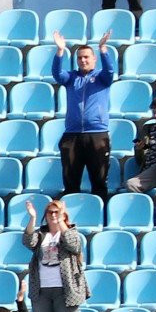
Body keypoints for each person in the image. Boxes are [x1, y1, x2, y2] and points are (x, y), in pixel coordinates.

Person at [51, 31, 116, 198]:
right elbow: (57, 74)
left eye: (86, 57)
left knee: (99, 183)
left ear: (94, 59)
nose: (83, 60)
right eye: (80, 58)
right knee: (70, 183)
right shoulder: (71, 78)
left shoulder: (101, 78)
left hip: (97, 134)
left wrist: (103, 49)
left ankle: (100, 212)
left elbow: (110, 71)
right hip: (72, 135)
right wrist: (60, 51)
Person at [23, 199, 88, 312]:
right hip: (41, 290)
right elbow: (28, 241)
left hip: (66, 290)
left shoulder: (70, 232)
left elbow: (73, 244)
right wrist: (32, 218)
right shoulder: (41, 234)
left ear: (64, 215)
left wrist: (60, 222)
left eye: (56, 212)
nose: (53, 215)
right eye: (50, 212)